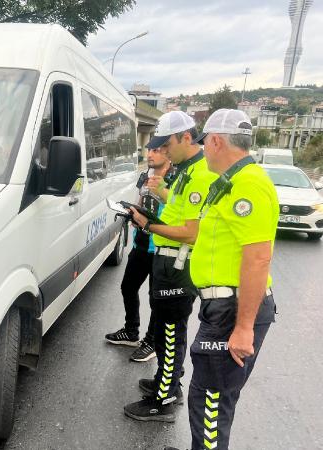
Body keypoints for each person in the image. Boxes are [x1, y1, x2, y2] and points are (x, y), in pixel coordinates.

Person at [172, 109, 278, 450]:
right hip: (223, 306)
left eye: (205, 144)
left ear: (216, 141)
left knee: (211, 405)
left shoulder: (248, 184)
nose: (204, 151)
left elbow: (258, 257)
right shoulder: (234, 180)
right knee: (205, 396)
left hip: (233, 310)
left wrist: (244, 327)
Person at [123, 111, 217, 422]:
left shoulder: (201, 174)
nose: (163, 151)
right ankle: (168, 384)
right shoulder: (185, 169)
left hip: (179, 265)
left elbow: (191, 231)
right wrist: (156, 194)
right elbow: (177, 210)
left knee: (170, 332)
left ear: (186, 138)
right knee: (165, 329)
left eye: (167, 145)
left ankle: (163, 400)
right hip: (167, 261)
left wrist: (148, 225)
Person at [105, 146, 173, 363]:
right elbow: (142, 202)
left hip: (161, 247)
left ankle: (152, 342)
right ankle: (131, 331)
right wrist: (132, 213)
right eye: (149, 150)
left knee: (156, 298)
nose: (150, 155)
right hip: (141, 244)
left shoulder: (175, 180)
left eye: (156, 151)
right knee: (128, 286)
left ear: (168, 154)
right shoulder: (146, 176)